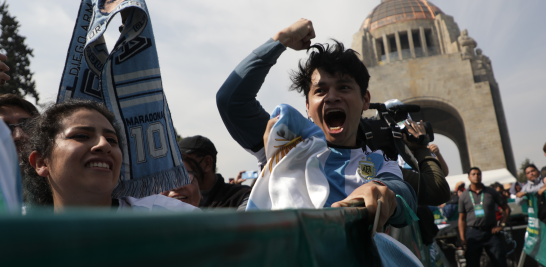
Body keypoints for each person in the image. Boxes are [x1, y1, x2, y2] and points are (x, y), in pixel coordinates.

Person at [216, 19, 416, 229]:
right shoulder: (284, 146)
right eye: (320, 91)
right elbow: (231, 101)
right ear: (307, 106)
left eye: (344, 87)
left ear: (365, 100)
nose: (331, 97)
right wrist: (280, 40)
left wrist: (380, 189)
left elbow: (405, 198)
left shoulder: (381, 163)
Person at [20, 99, 198, 212]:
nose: (104, 145)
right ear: (41, 162)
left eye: (112, 140)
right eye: (81, 136)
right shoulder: (16, 238)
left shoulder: (177, 222)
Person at [178, 135, 251, 210]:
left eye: (187, 161)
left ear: (207, 163)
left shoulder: (240, 197)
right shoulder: (174, 198)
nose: (176, 170)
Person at [458, 167, 510, 267]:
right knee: (472, 262)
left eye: (478, 174)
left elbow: (506, 209)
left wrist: (502, 225)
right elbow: (462, 218)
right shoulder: (464, 196)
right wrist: (462, 237)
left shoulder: (491, 192)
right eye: (473, 174)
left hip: (491, 232)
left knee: (500, 261)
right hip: (473, 232)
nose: (476, 176)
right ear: (469, 177)